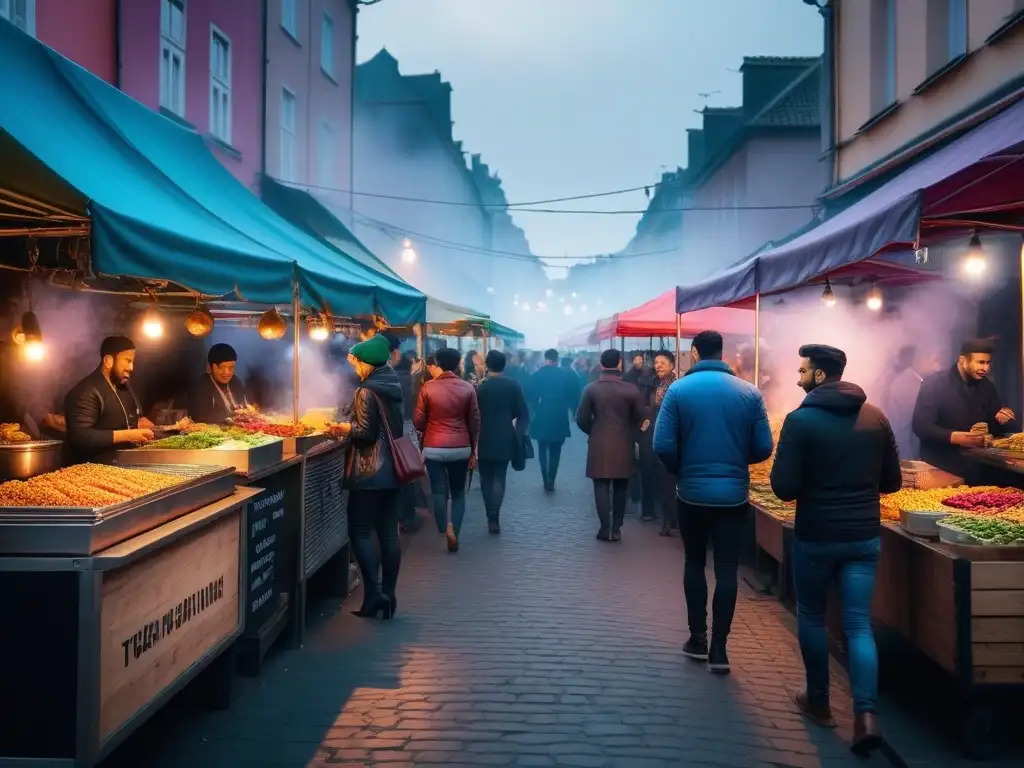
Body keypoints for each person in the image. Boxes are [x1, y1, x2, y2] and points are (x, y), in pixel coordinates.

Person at [770, 344, 901, 756]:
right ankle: (866, 717)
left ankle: (820, 700)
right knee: (858, 624)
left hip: (817, 535)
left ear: (820, 375)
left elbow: (783, 487)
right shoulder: (876, 417)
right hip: (863, 535)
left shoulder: (800, 420)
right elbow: (893, 483)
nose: (797, 377)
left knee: (810, 614)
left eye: (802, 370)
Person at [653, 330, 773, 674]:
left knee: (694, 563)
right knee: (726, 569)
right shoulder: (750, 393)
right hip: (734, 495)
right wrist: (736, 460)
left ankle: (698, 638)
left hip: (691, 493)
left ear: (693, 353)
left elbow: (662, 445)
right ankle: (720, 648)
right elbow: (764, 447)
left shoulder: (678, 390)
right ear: (722, 353)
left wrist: (680, 470)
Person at [330, 334, 404, 619]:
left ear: (366, 363)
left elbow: (365, 433)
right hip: (393, 472)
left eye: (356, 363)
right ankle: (390, 594)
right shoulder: (393, 384)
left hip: (369, 471)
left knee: (359, 531)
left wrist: (342, 429)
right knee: (388, 534)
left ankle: (373, 593)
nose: (355, 369)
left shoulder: (366, 391)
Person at [912, 338, 1016, 480]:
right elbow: (920, 426)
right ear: (962, 360)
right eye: (980, 362)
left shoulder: (987, 386)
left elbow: (993, 427)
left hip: (975, 469)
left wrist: (999, 420)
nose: (985, 368)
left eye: (988, 363)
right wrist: (955, 437)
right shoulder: (935, 384)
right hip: (940, 468)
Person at [415, 346, 480, 552]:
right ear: (458, 363)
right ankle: (455, 529)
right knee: (459, 492)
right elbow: (475, 421)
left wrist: (429, 428)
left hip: (434, 447)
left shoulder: (427, 387)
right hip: (461, 447)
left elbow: (418, 421)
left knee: (438, 491)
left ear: (439, 364)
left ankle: (443, 528)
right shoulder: (468, 388)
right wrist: (473, 448)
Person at [576, 348, 645, 541]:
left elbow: (581, 418)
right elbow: (641, 417)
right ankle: (617, 528)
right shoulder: (631, 389)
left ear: (602, 364)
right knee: (621, 486)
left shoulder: (591, 388)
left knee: (600, 484)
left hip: (599, 441)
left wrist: (594, 430)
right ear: (620, 363)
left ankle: (605, 528)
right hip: (624, 441)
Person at [64, 336, 156, 464]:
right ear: (108, 361)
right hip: (90, 470)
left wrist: (137, 423)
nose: (131, 368)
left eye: (133, 362)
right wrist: (129, 435)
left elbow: (126, 419)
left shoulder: (123, 387)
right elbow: (81, 437)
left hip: (122, 465)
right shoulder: (86, 392)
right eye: (127, 361)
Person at [476, 350, 530, 533]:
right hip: (505, 435)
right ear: (504, 365)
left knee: (485, 477)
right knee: (500, 476)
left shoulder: (481, 386)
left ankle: (489, 514)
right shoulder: (513, 385)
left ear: (487, 365)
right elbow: (522, 413)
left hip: (482, 436)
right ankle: (495, 517)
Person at [528, 348, 580, 491]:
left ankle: (545, 477)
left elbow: (530, 397)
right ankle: (552, 477)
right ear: (557, 360)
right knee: (556, 448)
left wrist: (529, 416)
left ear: (545, 359)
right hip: (560, 412)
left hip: (543, 410)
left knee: (542, 446)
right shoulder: (566, 375)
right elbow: (574, 395)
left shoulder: (537, 375)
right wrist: (574, 412)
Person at [879, 345, 939, 461]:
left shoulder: (914, 381)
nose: (935, 361)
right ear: (916, 361)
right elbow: (904, 428)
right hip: (908, 455)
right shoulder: (907, 384)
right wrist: (910, 461)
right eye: (929, 357)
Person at [641, 350, 678, 535]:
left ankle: (669, 520)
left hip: (672, 438)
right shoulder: (652, 385)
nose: (658, 366)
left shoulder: (678, 386)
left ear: (672, 364)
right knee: (658, 478)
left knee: (668, 480)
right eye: (656, 362)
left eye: (662, 362)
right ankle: (666, 517)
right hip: (653, 435)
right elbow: (647, 409)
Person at [187, 343, 248, 424]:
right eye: (221, 367)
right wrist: (234, 415)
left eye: (231, 367)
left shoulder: (235, 382)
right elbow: (201, 418)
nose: (227, 372)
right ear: (210, 367)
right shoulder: (200, 387)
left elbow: (245, 406)